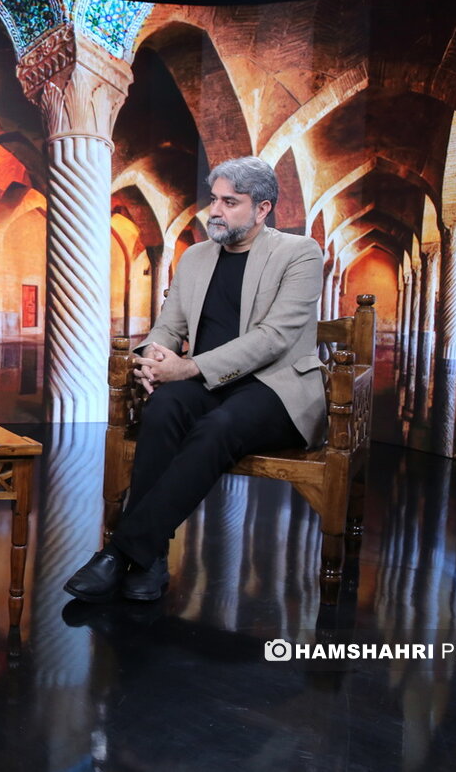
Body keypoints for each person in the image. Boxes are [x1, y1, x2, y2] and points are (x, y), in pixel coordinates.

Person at [64, 156, 325, 603]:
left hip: (277, 388)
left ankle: (121, 552)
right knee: (163, 407)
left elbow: (274, 338)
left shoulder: (299, 253)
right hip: (210, 384)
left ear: (262, 209)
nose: (215, 211)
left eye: (230, 202)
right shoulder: (196, 257)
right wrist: (153, 357)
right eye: (214, 200)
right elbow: (169, 326)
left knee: (219, 426)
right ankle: (149, 557)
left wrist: (187, 367)